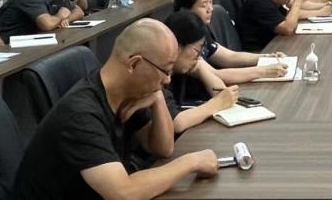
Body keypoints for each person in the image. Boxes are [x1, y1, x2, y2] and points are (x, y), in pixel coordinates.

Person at [15, 19, 220, 199]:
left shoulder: (126, 89)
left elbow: (162, 148)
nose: (168, 80)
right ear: (134, 64)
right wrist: (192, 161)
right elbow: (123, 193)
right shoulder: (80, 114)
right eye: (165, 71)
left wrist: (158, 99)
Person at [171, 0, 287, 89]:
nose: (210, 9)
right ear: (184, 9)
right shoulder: (184, 34)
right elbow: (215, 75)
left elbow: (229, 57)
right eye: (204, 5)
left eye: (211, 2)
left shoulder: (200, 28)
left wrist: (266, 57)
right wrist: (264, 71)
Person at [161, 11, 239, 134]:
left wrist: (200, 68)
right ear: (177, 47)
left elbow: (220, 93)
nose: (198, 57)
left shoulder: (185, 69)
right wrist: (216, 104)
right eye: (197, 50)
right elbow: (176, 123)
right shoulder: (159, 76)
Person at [237, 0, 305, 52]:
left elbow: (290, 16)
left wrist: (318, 12)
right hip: (258, 52)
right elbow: (287, 28)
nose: (288, 0)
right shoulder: (260, 1)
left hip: (270, 45)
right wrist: (298, 1)